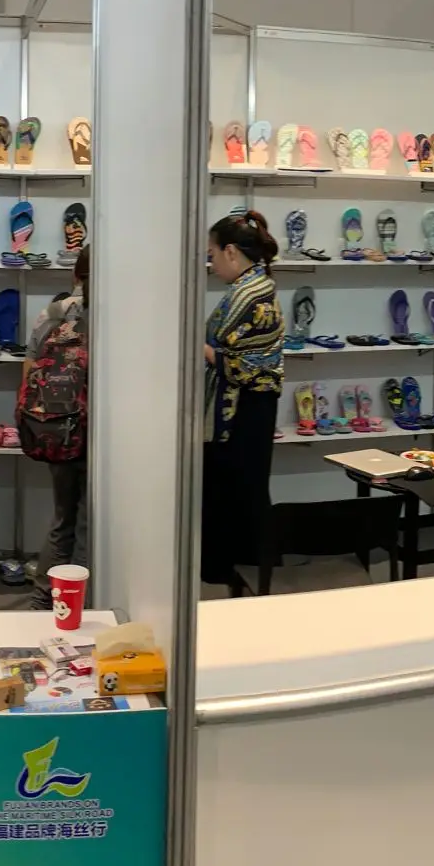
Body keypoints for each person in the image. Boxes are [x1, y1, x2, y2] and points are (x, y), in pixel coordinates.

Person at [201, 211, 284, 595]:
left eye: (213, 254)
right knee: (235, 489)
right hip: (245, 406)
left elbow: (245, 363)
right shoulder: (251, 288)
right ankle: (236, 570)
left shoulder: (250, 294)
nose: (212, 263)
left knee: (237, 489)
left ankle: (238, 572)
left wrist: (201, 349)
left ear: (231, 251)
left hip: (245, 408)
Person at [21, 247, 88, 609]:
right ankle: (84, 604)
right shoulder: (112, 316)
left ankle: (43, 600)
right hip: (94, 432)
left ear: (75, 275)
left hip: (55, 428)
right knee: (89, 524)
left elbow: (29, 374)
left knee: (63, 518)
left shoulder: (50, 314)